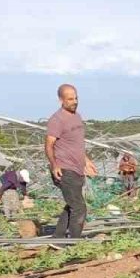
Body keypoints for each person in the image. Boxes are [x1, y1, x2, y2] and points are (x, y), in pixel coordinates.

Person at [45, 83, 96, 239]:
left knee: (72, 205)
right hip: (64, 170)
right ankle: (73, 242)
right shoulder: (57, 120)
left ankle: (58, 238)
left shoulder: (77, 117)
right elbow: (48, 145)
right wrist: (54, 165)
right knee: (79, 208)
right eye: (70, 99)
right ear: (61, 100)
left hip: (77, 169)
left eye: (76, 98)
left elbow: (76, 144)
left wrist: (86, 160)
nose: (75, 102)